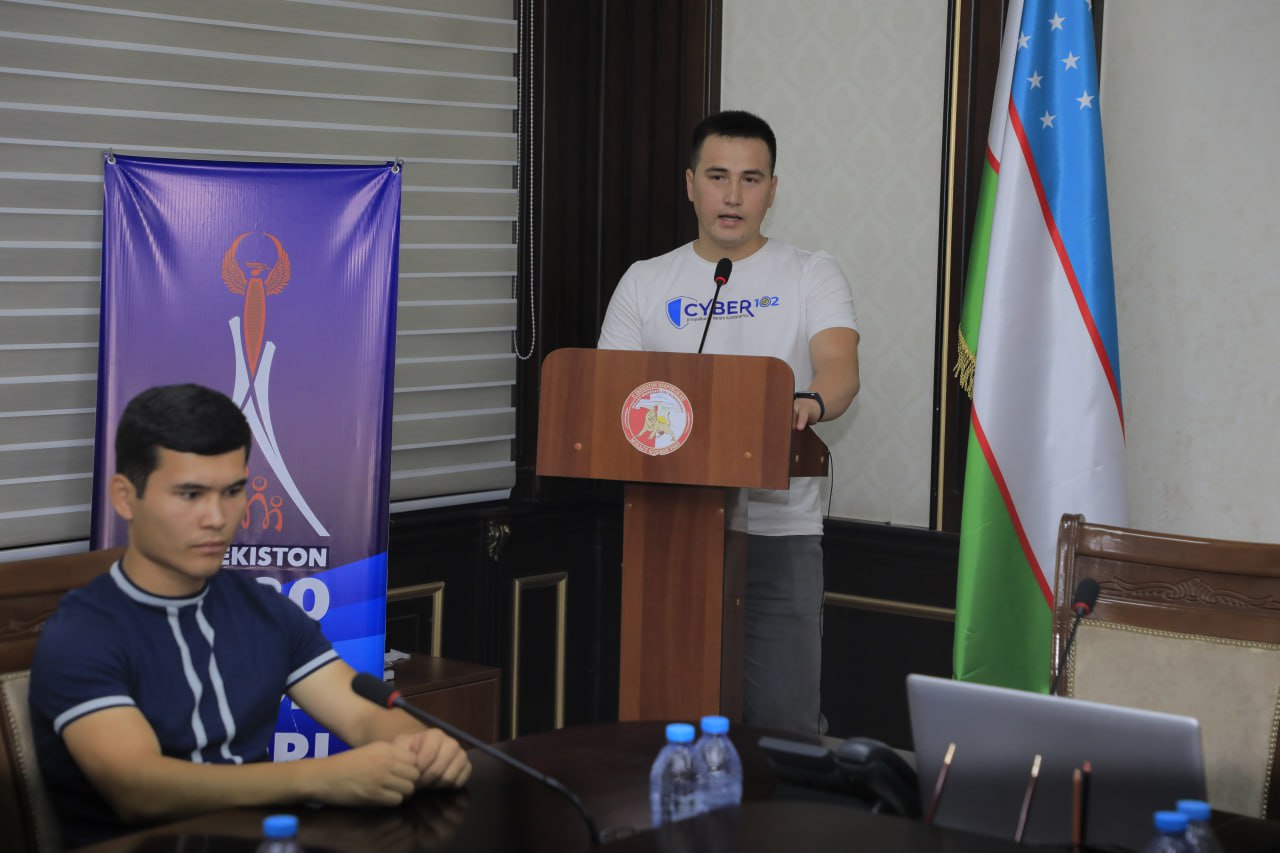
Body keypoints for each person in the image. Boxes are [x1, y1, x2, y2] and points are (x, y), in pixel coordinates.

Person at [29, 384, 471, 847]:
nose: (217, 518)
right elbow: (138, 789)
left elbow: (364, 717)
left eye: (233, 491)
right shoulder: (80, 633)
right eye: (190, 494)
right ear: (124, 497)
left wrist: (422, 748)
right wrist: (318, 778)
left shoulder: (265, 609)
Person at [598, 110, 860, 735]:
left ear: (773, 190)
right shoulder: (645, 281)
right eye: (718, 177)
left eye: (751, 179)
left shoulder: (810, 272)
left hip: (778, 531)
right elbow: (609, 398)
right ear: (690, 184)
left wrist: (811, 402)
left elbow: (839, 367)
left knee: (783, 727)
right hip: (670, 532)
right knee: (666, 720)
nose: (733, 196)